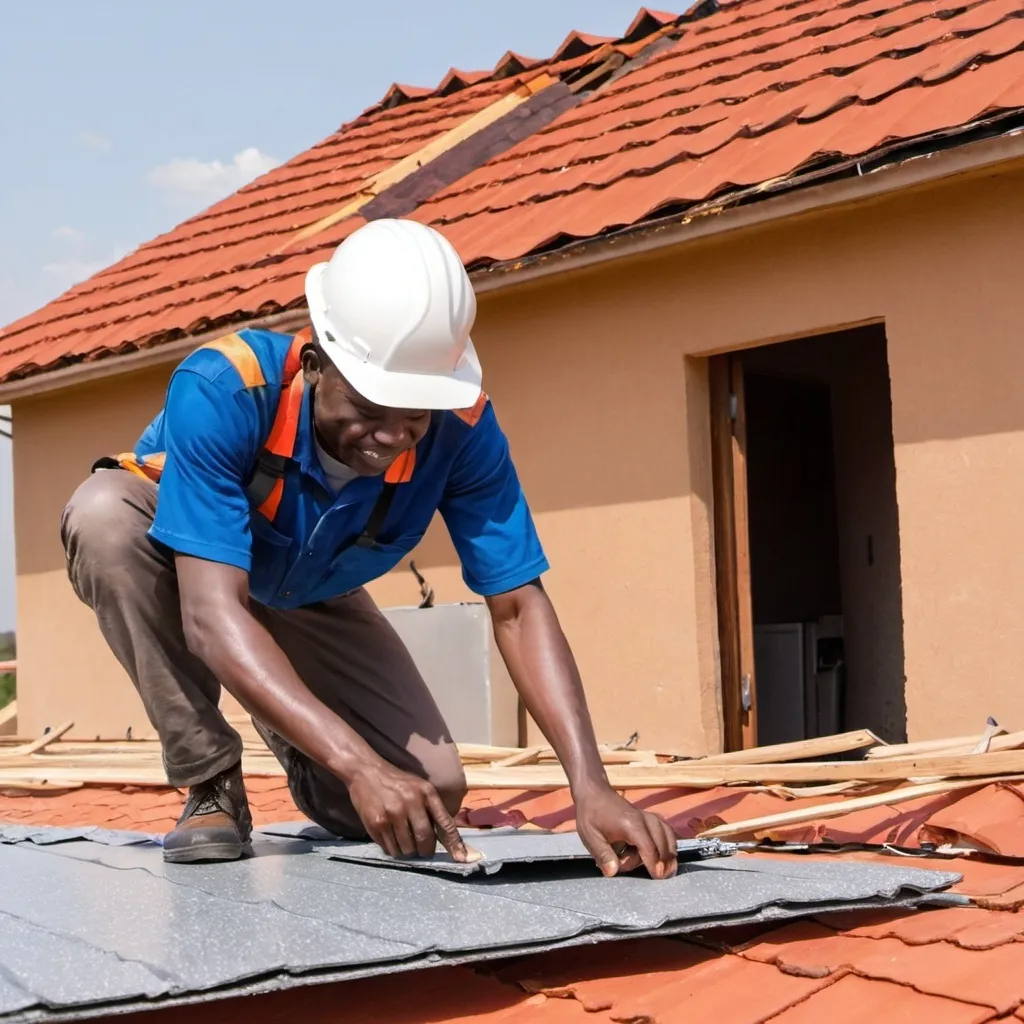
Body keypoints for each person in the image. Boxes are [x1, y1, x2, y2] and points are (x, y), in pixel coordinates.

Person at [60, 218, 676, 878]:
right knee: (104, 517)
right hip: (201, 572)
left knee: (426, 798)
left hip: (311, 591)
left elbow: (519, 607)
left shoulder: (464, 429)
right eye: (371, 406)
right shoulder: (225, 389)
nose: (391, 436)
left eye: (416, 413)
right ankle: (209, 779)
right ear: (316, 362)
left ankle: (292, 728)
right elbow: (211, 615)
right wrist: (357, 762)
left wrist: (591, 785)